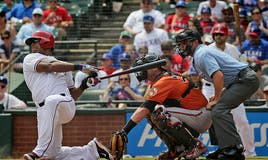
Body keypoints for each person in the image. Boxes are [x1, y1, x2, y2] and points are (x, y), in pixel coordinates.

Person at [22, 30, 113, 160]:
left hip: (62, 104)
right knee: (55, 154)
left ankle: (38, 152)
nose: (31, 45)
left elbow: (72, 95)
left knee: (52, 101)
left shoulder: (64, 66)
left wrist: (83, 85)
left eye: (34, 41)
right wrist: (79, 67)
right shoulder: (30, 58)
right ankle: (92, 150)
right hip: (45, 110)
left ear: (46, 43)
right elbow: (49, 66)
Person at [175, 29, 259, 160]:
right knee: (215, 108)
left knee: (219, 108)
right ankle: (225, 148)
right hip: (238, 80)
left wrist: (217, 98)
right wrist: (216, 97)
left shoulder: (202, 53)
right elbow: (219, 76)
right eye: (180, 44)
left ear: (195, 42)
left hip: (245, 79)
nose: (181, 46)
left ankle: (234, 149)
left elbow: (218, 75)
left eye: (183, 43)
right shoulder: (200, 53)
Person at [114, 55, 211, 159]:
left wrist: (125, 131)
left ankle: (195, 146)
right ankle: (176, 149)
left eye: (143, 67)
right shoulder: (158, 80)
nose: (140, 70)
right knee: (151, 113)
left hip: (200, 114)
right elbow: (146, 105)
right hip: (192, 114)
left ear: (155, 68)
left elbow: (145, 107)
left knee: (158, 112)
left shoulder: (164, 80)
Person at [206, 23, 257, 157]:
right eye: (215, 34)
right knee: (212, 119)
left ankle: (251, 152)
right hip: (211, 89)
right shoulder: (208, 50)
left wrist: (243, 61)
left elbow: (241, 67)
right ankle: (223, 149)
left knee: (242, 120)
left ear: (226, 36)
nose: (218, 36)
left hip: (231, 88)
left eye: (220, 34)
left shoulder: (233, 49)